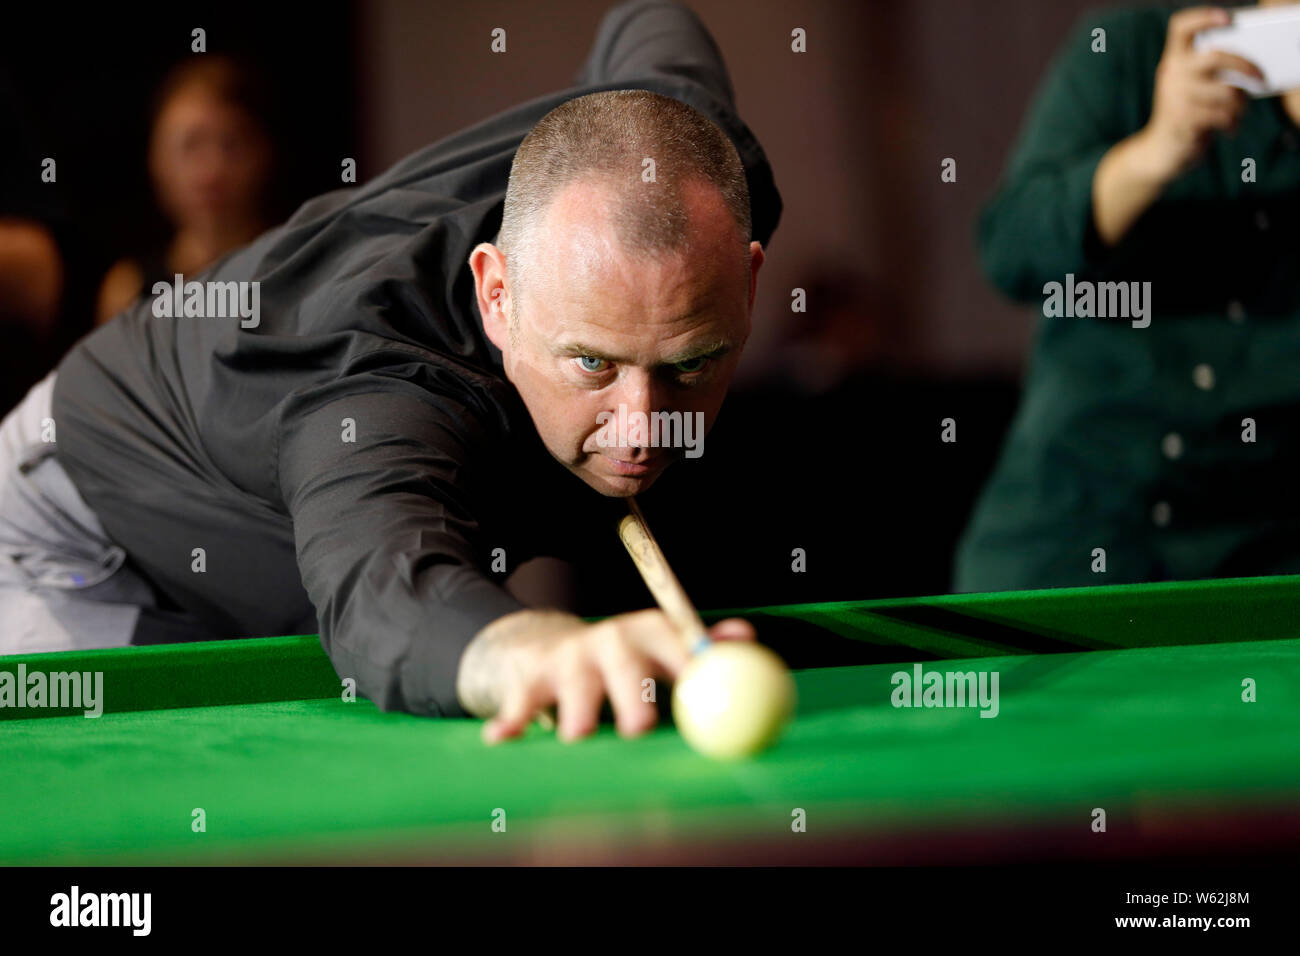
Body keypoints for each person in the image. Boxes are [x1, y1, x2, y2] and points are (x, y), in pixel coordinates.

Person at [0, 0, 782, 745]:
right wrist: (529, 650)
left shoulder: (696, 148)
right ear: (497, 295)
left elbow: (653, 18)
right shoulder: (383, 381)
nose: (643, 425)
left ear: (746, 282)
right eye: (591, 363)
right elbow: (382, 591)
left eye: (690, 363)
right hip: (70, 538)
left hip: (260, 522)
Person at [956, 2, 1300, 591]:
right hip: (1077, 535)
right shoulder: (1133, 43)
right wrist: (1156, 150)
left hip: (1269, 556)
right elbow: (1007, 249)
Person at [95, 55, 275, 325]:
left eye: (231, 144)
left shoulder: (295, 266)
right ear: (157, 161)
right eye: (191, 145)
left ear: (263, 153)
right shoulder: (128, 290)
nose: (212, 171)